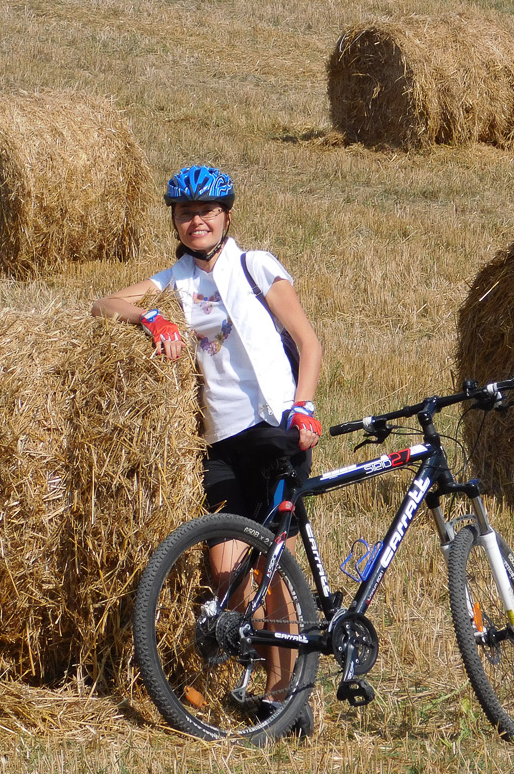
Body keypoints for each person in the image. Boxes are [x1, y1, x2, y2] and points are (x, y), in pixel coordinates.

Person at [92, 164, 322, 736]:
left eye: (207, 211)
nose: (196, 221)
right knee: (225, 573)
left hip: (273, 430)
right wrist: (149, 317)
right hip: (219, 441)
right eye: (186, 212)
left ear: (226, 216)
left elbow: (308, 341)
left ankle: (284, 695)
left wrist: (304, 406)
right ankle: (243, 668)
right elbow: (101, 304)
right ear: (174, 219)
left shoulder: (256, 265)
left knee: (272, 564)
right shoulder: (174, 280)